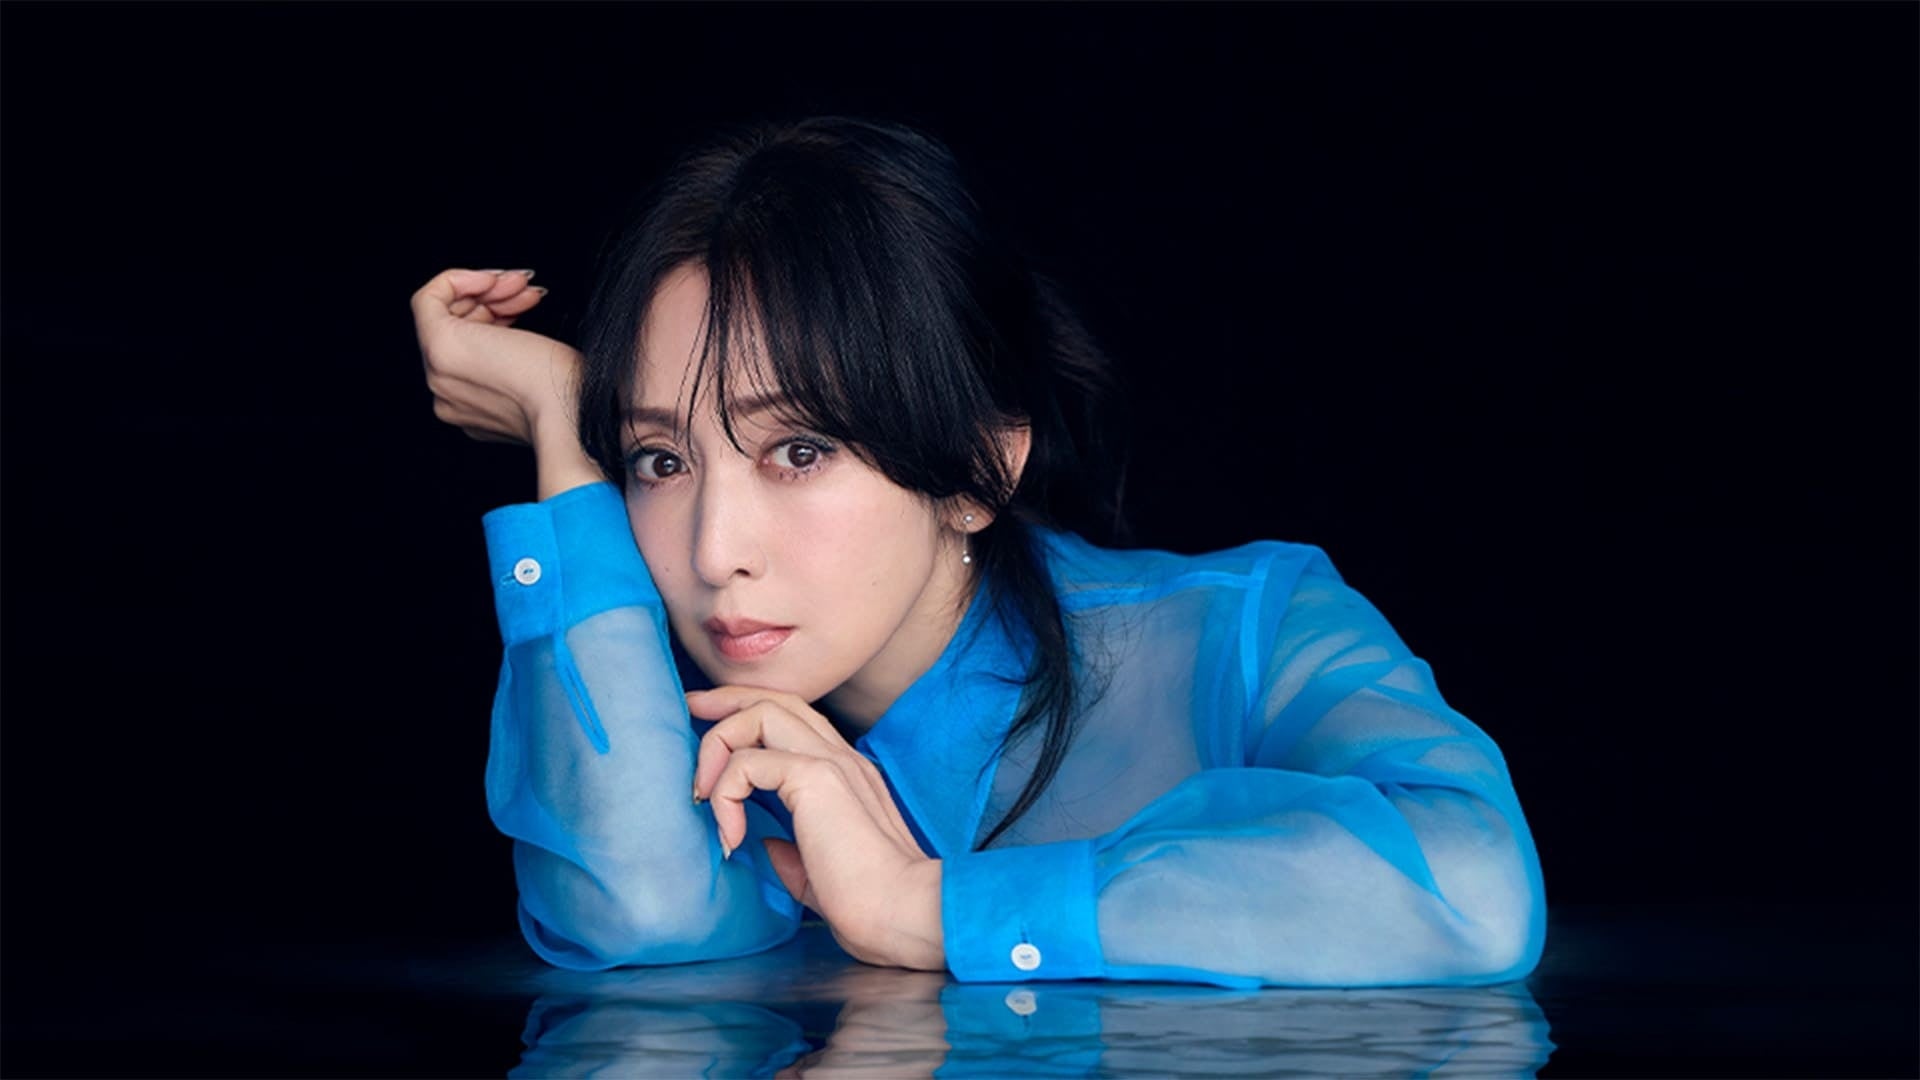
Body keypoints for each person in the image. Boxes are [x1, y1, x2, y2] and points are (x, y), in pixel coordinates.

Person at [410, 115, 1547, 988]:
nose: (714, 552)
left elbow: (1477, 889)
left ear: (976, 471)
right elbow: (636, 911)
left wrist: (924, 906)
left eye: (798, 451)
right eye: (660, 461)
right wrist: (566, 429)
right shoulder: (706, 745)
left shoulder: (1247, 631)